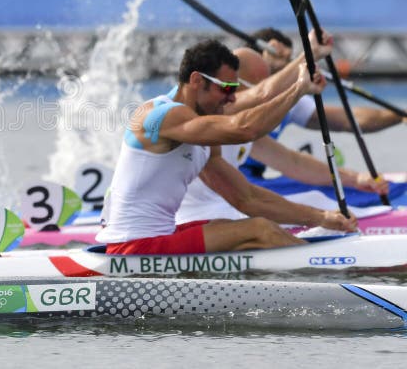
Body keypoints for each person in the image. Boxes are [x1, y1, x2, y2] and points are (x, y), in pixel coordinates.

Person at [96, 39, 357, 256]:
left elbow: (247, 199)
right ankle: (331, 271)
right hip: (131, 247)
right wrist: (298, 89)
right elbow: (244, 129)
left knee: (234, 225)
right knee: (258, 230)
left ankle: (319, 263)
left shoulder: (203, 140)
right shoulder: (161, 115)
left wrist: (321, 217)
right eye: (227, 88)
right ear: (197, 80)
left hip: (160, 237)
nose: (233, 97)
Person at [177, 48, 389, 225]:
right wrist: (311, 52)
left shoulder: (242, 128)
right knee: (282, 218)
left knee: (313, 197)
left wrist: (356, 179)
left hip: (226, 208)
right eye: (228, 89)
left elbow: (293, 162)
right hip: (202, 215)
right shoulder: (211, 118)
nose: (231, 96)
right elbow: (262, 94)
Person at [242, 27, 405, 178]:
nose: (292, 66)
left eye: (290, 61)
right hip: (228, 186)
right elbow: (260, 94)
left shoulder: (290, 99)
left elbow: (349, 119)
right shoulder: (232, 95)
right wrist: (310, 53)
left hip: (254, 181)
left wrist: (398, 115)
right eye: (286, 61)